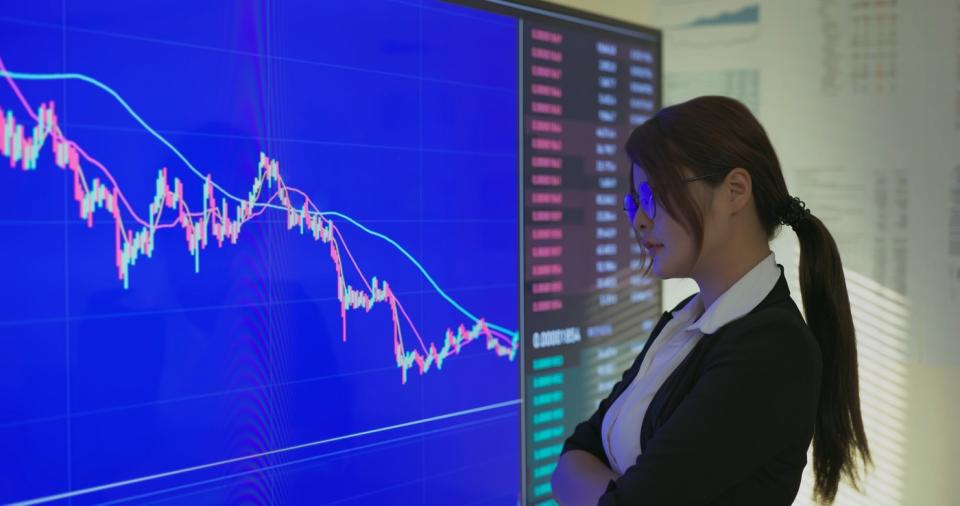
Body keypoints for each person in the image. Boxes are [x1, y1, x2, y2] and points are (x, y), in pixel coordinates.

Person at [550, 96, 871, 505]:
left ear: (735, 191)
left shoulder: (770, 348)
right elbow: (571, 458)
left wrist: (600, 486)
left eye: (655, 196)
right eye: (634, 203)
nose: (640, 221)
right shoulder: (686, 322)